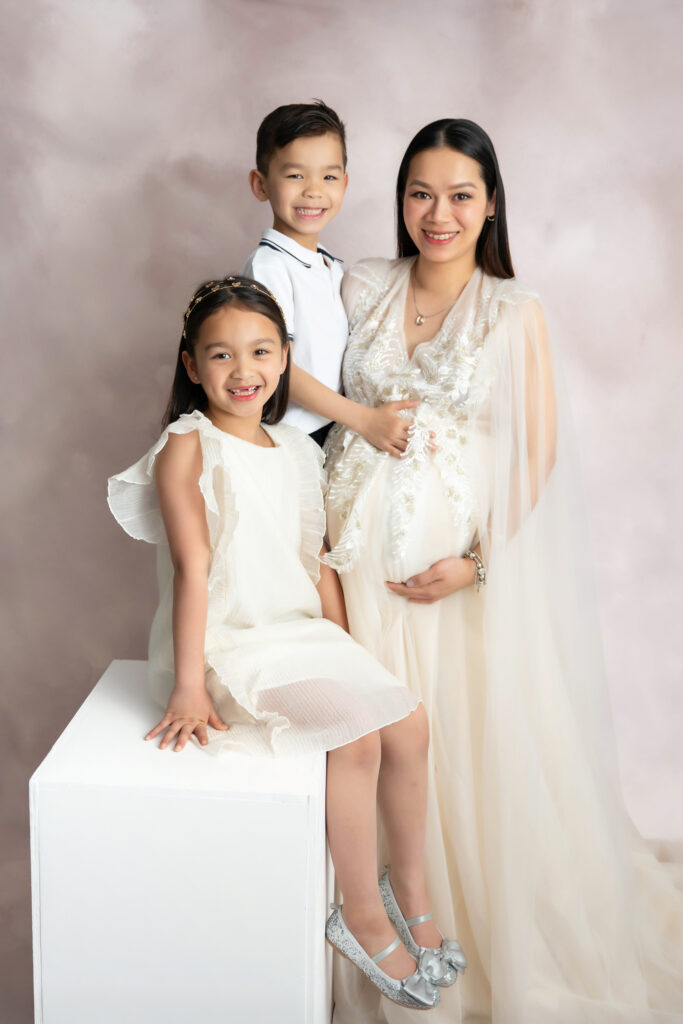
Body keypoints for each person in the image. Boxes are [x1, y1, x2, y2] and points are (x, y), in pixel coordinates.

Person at [324, 120, 683, 1023]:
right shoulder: (360, 286)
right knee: (361, 738)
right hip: (355, 578)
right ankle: (365, 918)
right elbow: (308, 404)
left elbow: (536, 452)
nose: (436, 214)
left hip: (451, 588)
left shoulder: (511, 311)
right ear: (398, 197)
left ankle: (457, 929)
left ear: (489, 206)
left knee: (451, 739)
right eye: (419, 192)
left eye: (458, 195)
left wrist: (474, 562)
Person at [106, 275, 466, 1011]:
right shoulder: (188, 445)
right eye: (221, 355)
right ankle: (359, 914)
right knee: (355, 737)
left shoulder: (299, 449)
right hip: (232, 639)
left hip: (299, 632)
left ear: (285, 358)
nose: (244, 372)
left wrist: (345, 648)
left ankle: (409, 892)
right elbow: (194, 566)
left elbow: (313, 560)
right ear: (190, 366)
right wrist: (188, 684)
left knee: (409, 720)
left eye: (261, 352)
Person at [243, 100, 420, 455]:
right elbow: (277, 368)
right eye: (295, 175)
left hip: (331, 428)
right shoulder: (269, 267)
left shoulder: (330, 266)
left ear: (345, 182)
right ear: (260, 185)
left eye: (328, 176)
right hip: (291, 436)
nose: (313, 190)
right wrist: (364, 419)